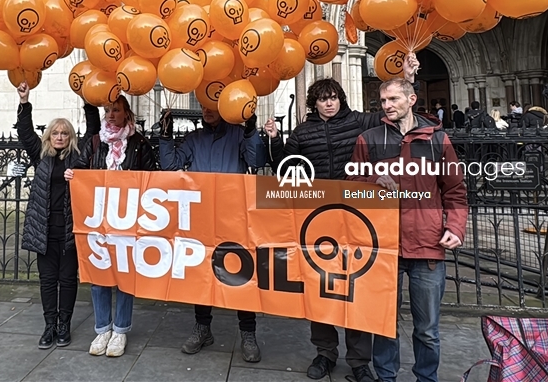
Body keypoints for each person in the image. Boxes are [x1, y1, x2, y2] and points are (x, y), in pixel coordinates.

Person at [262, 54, 418, 382]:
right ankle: (325, 352)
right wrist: (274, 140)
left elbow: (392, 118)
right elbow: (287, 165)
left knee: (355, 287)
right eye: (322, 99)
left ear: (340, 99)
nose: (328, 103)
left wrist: (408, 80)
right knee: (320, 286)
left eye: (333, 97)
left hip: (356, 214)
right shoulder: (303, 132)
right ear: (314, 103)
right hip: (318, 217)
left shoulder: (359, 122)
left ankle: (359, 359)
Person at [349, 78, 467, 382]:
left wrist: (455, 226)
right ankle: (385, 377)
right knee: (384, 323)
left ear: (412, 99)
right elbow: (351, 188)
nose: (387, 105)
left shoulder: (438, 140)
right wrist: (373, 178)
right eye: (383, 100)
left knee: (427, 329)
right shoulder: (368, 139)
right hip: (384, 245)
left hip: (426, 245)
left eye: (394, 99)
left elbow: (454, 190)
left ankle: (426, 378)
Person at [158, 104, 264, 363]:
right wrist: (165, 137)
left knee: (241, 273)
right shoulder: (193, 139)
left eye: (212, 106)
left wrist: (251, 131)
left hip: (233, 215)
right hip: (202, 217)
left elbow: (256, 161)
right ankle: (202, 327)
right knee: (202, 274)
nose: (206, 110)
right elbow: (170, 166)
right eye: (203, 106)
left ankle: (248, 333)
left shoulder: (238, 134)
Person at [71, 95, 158, 358]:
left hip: (128, 219)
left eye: (116, 110)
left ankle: (120, 330)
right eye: (107, 110)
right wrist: (72, 175)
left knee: (124, 274)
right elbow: (78, 169)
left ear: (126, 114)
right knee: (99, 274)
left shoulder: (139, 144)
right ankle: (102, 329)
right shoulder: (96, 142)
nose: (110, 114)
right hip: (99, 219)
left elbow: (153, 177)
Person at [16, 82, 99, 349]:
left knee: (67, 279)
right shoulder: (41, 157)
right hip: (44, 229)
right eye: (55, 133)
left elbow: (94, 130)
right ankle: (49, 325)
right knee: (48, 280)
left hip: (69, 230)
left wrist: (87, 100)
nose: (60, 137)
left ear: (70, 137)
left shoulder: (77, 157)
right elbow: (25, 133)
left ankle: (65, 325)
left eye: (64, 133)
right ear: (49, 137)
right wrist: (24, 101)